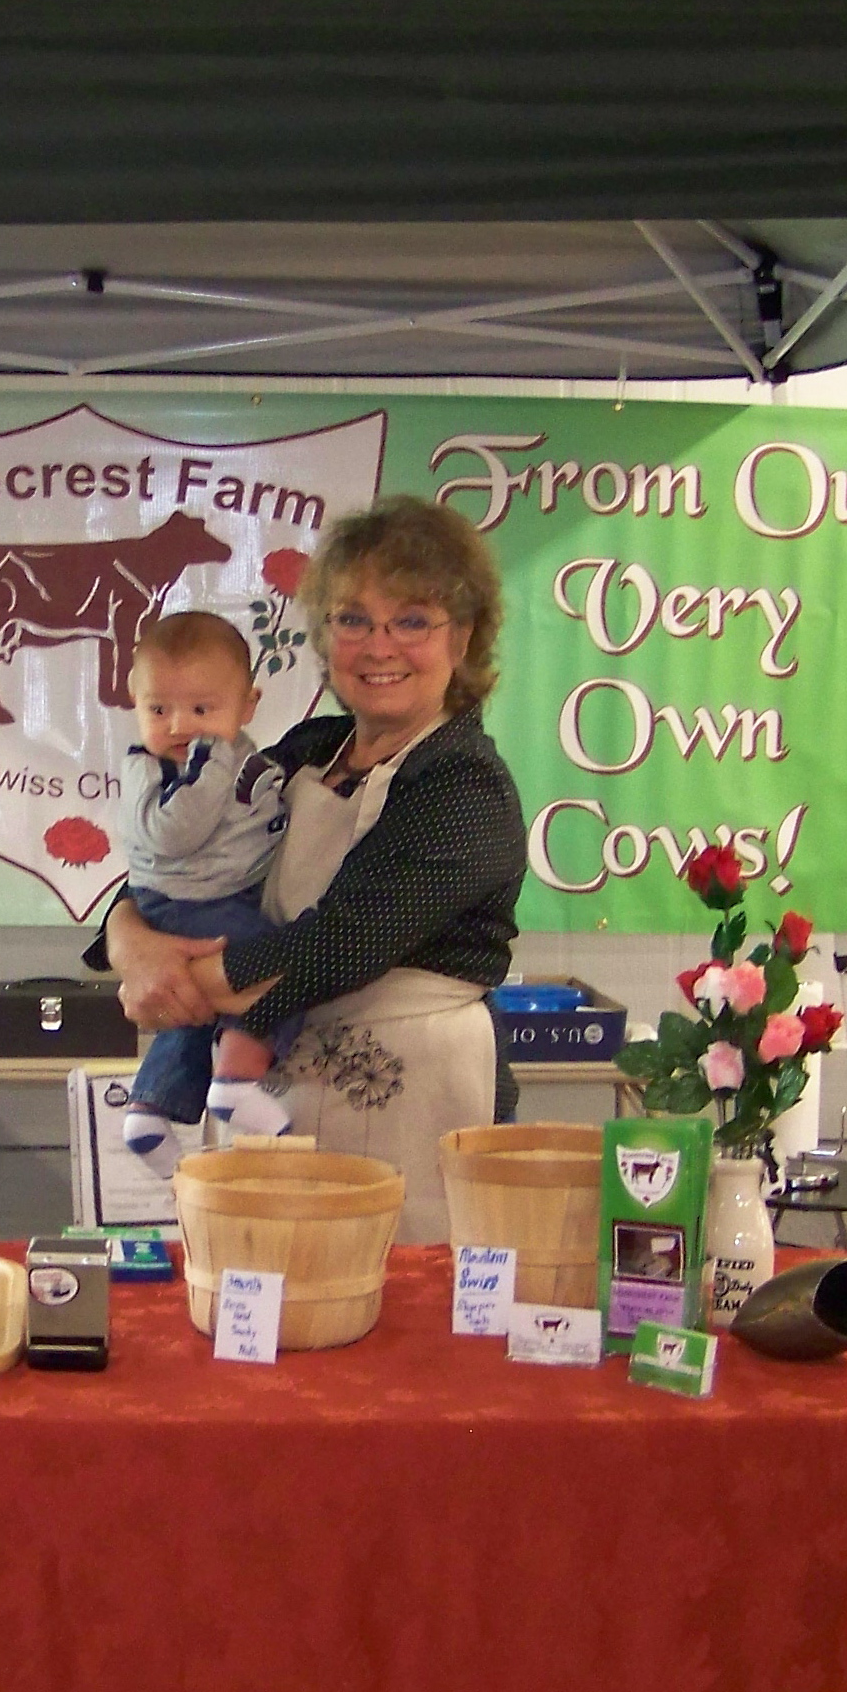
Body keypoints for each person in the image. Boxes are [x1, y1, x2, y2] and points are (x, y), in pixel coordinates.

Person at [92, 495, 522, 1243]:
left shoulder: (463, 783)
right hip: (271, 1075)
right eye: (353, 619)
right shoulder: (306, 748)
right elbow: (181, 867)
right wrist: (129, 940)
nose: (378, 645)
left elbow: (339, 943)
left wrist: (176, 981)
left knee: (391, 1312)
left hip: (409, 1093)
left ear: (463, 639)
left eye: (411, 620)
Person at [116, 612, 294, 1162]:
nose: (178, 727)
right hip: (189, 904)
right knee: (276, 972)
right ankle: (238, 1080)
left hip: (219, 897)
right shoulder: (157, 771)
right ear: (134, 703)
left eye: (201, 709)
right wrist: (213, 763)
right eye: (158, 709)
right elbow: (173, 834)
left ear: (247, 707)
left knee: (194, 1007)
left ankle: (151, 1109)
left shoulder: (244, 756)